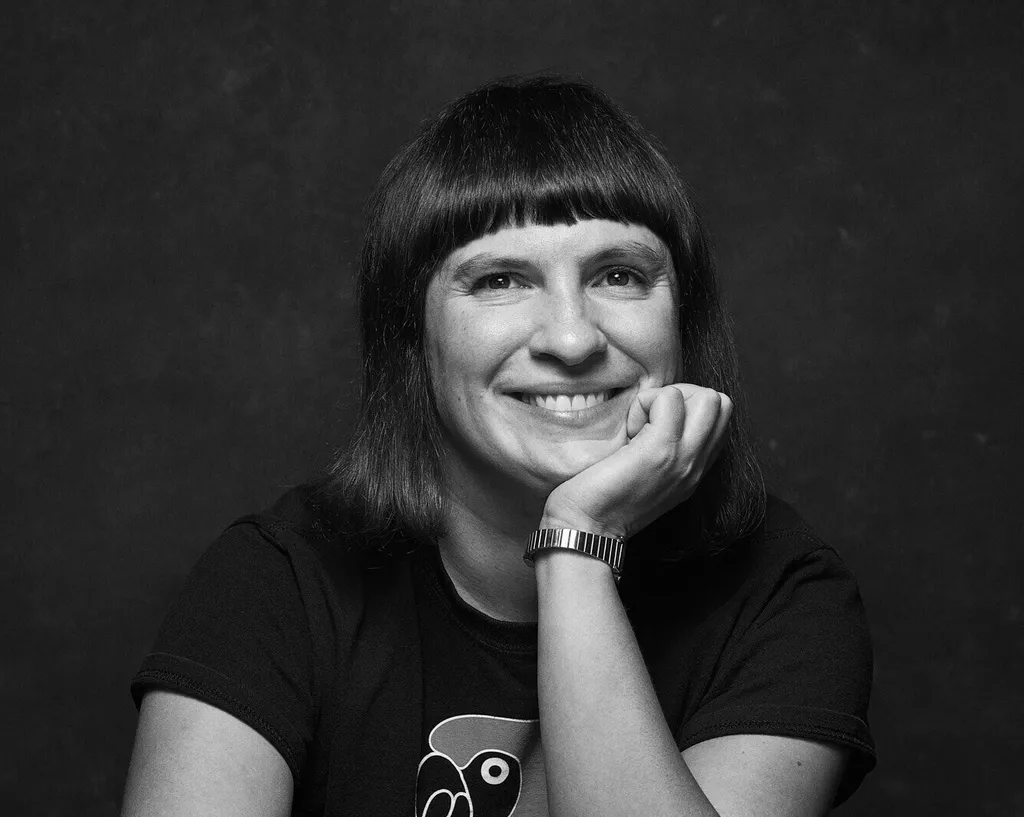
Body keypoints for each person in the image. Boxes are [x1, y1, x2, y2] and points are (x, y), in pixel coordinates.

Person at [122, 76, 875, 816]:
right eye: (501, 281)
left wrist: (580, 544)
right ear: (411, 340)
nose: (574, 339)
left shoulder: (783, 590)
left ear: (684, 317)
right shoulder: (274, 584)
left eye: (619, 275)